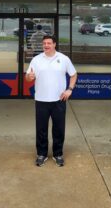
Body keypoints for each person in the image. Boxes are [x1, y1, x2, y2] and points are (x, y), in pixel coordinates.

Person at [25, 34, 77, 167]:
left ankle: (58, 154)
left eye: (49, 43)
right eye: (44, 44)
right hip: (41, 100)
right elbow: (28, 78)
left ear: (54, 44)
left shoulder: (63, 59)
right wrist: (29, 77)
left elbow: (73, 74)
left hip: (59, 100)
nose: (46, 46)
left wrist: (69, 89)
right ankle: (41, 154)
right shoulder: (36, 60)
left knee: (59, 129)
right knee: (41, 129)